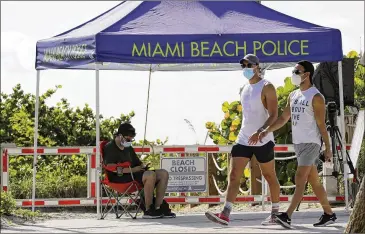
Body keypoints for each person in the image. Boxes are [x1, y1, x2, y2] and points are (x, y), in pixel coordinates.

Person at [257, 60, 337, 228]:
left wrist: (328, 149)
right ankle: (329, 214)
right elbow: (283, 119)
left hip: (311, 143)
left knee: (300, 178)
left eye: (297, 71)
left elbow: (322, 125)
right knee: (314, 181)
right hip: (299, 144)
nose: (293, 74)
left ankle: (287, 215)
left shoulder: (316, 97)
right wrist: (266, 130)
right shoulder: (293, 95)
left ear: (307, 74)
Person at [205, 54, 281, 226]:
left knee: (269, 175)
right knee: (233, 176)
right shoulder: (244, 88)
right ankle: (225, 213)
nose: (246, 68)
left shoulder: (267, 87)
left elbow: (274, 115)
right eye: (243, 65)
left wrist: (261, 131)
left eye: (249, 64)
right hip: (244, 138)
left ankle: (275, 213)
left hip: (263, 138)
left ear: (257, 66)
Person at [103, 122, 176, 219]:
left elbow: (137, 163)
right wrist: (132, 169)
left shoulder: (128, 148)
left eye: (131, 139)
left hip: (134, 174)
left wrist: (143, 166)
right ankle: (148, 209)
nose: (130, 140)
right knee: (150, 175)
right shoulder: (110, 147)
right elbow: (110, 167)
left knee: (163, 173)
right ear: (120, 136)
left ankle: (158, 207)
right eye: (128, 138)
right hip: (119, 178)